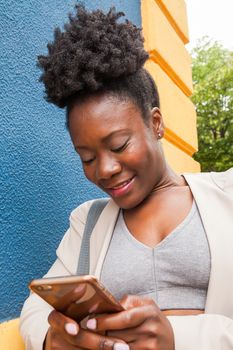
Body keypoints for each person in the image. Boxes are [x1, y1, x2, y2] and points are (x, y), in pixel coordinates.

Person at [20, 5, 233, 350]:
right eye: (87, 157)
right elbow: (36, 307)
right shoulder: (87, 223)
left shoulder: (228, 195)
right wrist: (50, 338)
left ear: (156, 123)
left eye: (119, 145)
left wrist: (177, 337)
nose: (104, 169)